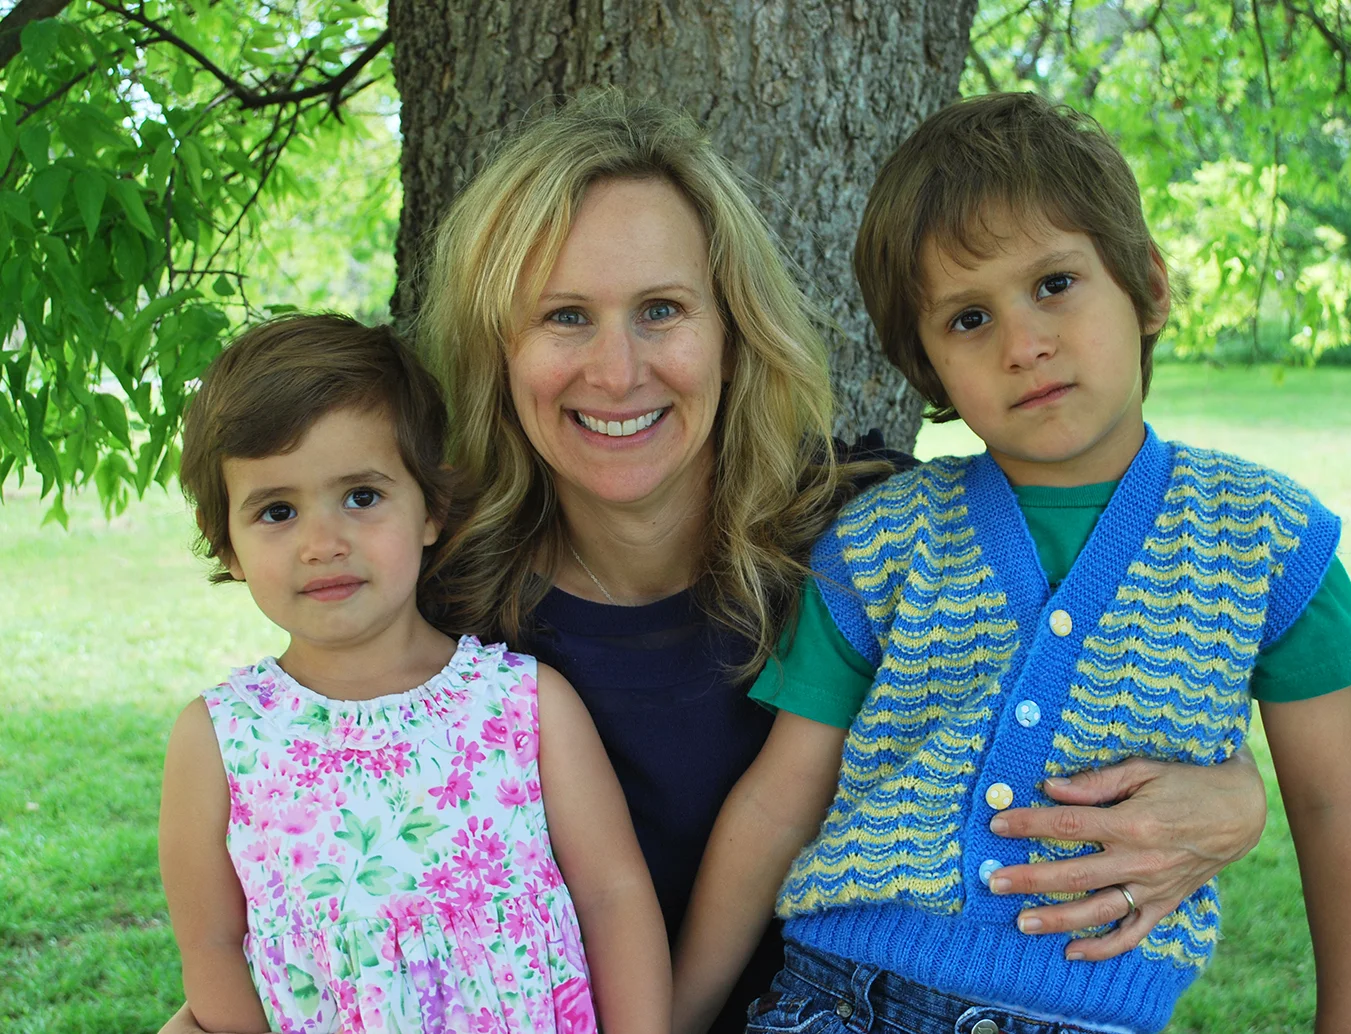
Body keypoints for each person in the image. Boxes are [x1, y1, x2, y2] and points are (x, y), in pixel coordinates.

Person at [157, 92, 1272, 1034]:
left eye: (660, 310)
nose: (618, 368)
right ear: (500, 352)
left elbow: (1083, 661)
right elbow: (306, 853)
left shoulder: (878, 538)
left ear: (732, 329)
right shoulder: (445, 611)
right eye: (563, 317)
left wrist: (1237, 796)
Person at [672, 92, 1351, 1034]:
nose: (1023, 345)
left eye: (1054, 284)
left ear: (1147, 285)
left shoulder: (1268, 540)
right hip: (843, 998)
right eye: (968, 319)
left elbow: (1333, 808)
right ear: (928, 371)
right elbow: (777, 803)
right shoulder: (879, 544)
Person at [160, 314, 668, 1034]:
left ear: (430, 506)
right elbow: (210, 944)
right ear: (229, 547)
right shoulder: (219, 741)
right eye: (276, 511)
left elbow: (614, 896)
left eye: (361, 497)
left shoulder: (522, 705)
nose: (322, 543)